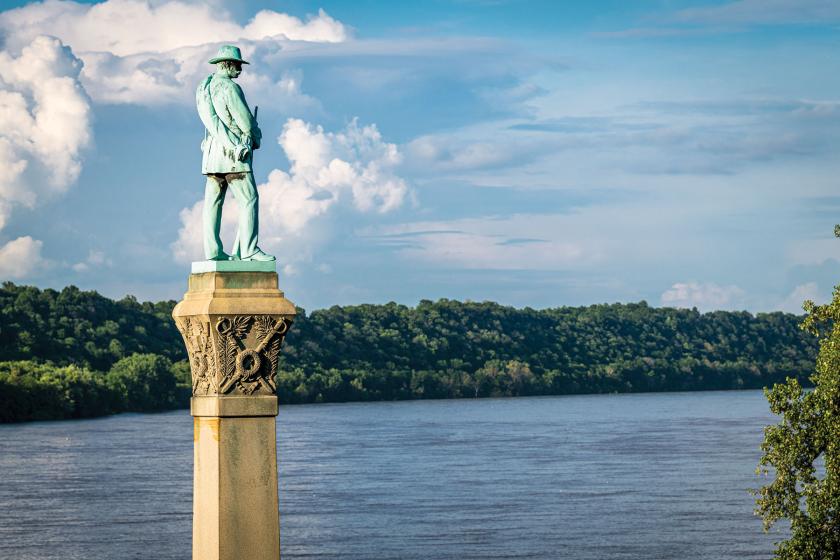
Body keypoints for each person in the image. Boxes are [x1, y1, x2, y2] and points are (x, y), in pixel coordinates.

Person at [196, 45, 274, 261]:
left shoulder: (204, 86)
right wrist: (255, 135)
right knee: (249, 199)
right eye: (238, 65)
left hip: (212, 154)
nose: (240, 69)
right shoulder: (229, 88)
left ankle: (212, 251)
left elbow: (208, 120)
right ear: (228, 64)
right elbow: (244, 120)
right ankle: (249, 250)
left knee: (213, 202)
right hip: (233, 154)